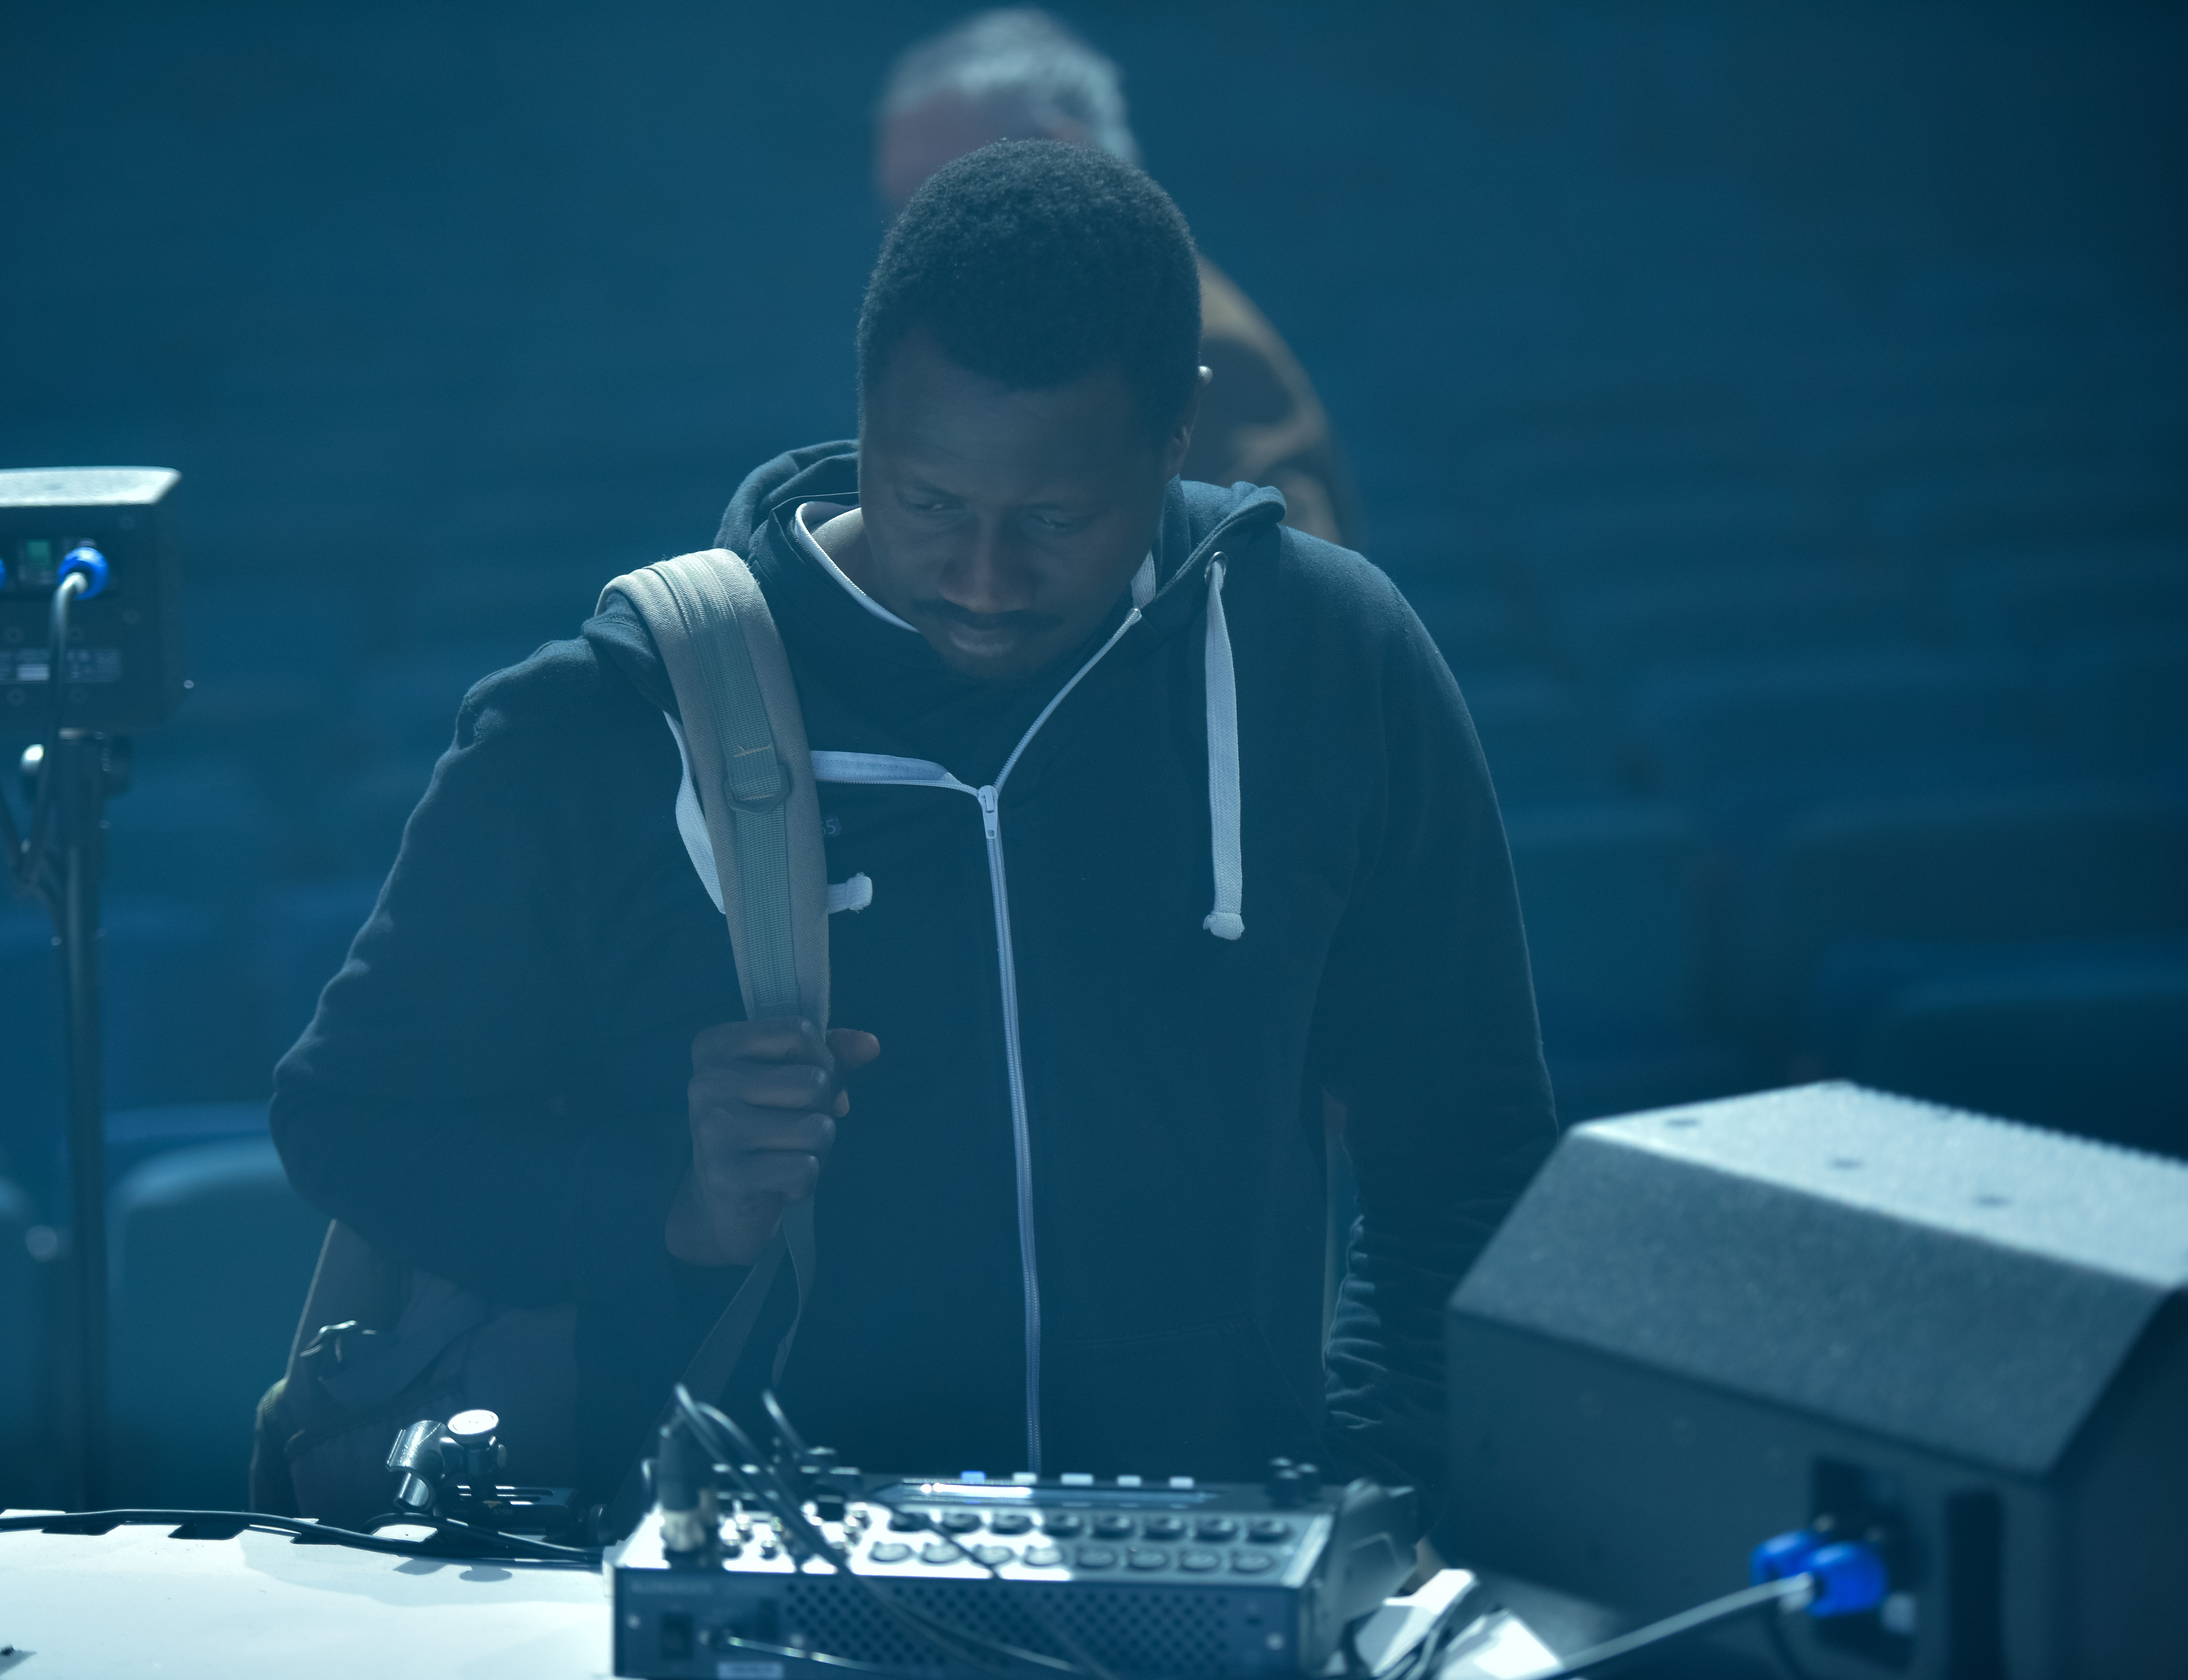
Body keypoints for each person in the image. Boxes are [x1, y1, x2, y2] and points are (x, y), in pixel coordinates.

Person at [271, 141, 1551, 1518]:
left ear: (1182, 427)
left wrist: (1373, 1488)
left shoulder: (1330, 656)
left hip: (1222, 1563)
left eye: (1056, 517)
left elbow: (1468, 1149)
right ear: (865, 412)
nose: (985, 580)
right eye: (930, 502)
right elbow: (350, 1122)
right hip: (743, 1573)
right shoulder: (604, 721)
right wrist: (667, 1204)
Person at [878, 8, 1368, 550]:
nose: (912, 237)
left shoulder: (1200, 344)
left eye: (939, 191)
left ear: (1063, 156)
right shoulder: (1036, 339)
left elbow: (1290, 576)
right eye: (901, 207)